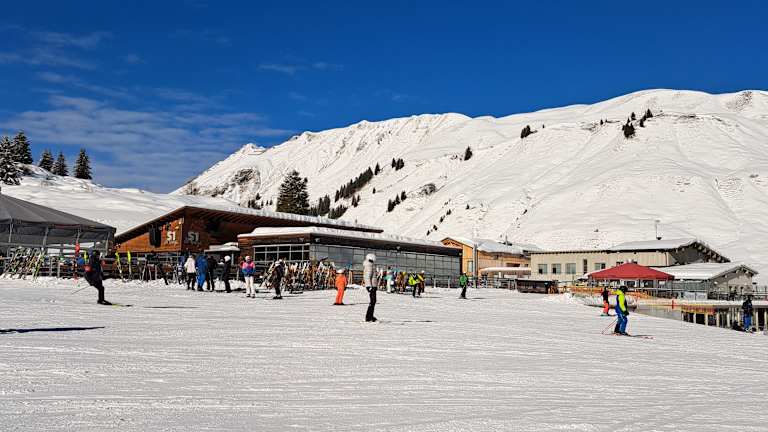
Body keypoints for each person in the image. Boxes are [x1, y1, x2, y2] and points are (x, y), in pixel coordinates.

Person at [364, 254, 377, 321]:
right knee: (372, 301)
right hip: (371, 286)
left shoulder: (370, 265)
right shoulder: (369, 266)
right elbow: (367, 277)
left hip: (372, 286)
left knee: (373, 301)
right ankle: (369, 317)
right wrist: (369, 286)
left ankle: (370, 316)